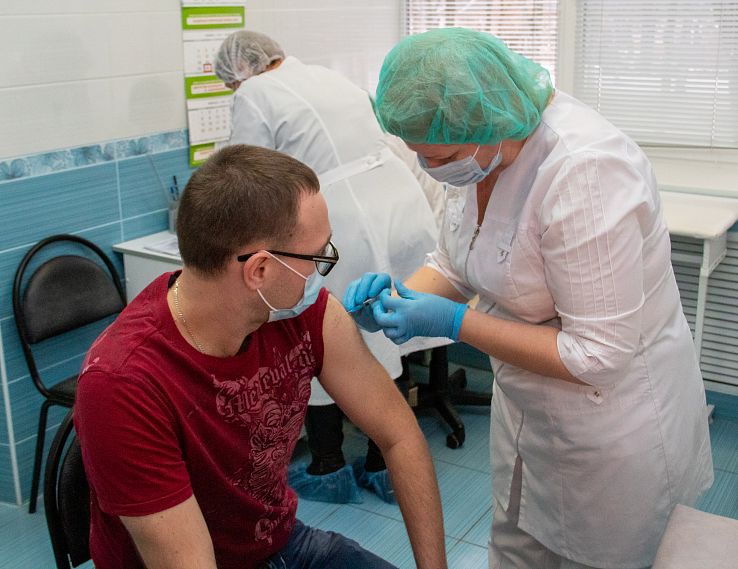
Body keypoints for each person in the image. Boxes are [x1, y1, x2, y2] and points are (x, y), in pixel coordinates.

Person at [344, 28, 714, 569]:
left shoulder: (586, 172)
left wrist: (455, 323)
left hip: (607, 430)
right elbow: (457, 260)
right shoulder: (478, 154)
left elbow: (598, 355)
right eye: (420, 156)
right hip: (526, 412)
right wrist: (398, 296)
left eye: (440, 156)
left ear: (487, 126)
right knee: (515, 547)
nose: (432, 169)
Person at [73, 144, 447, 569]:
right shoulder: (123, 384)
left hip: (279, 543)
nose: (322, 271)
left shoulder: (302, 312)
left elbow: (400, 437)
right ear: (260, 271)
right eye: (317, 256)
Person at [213, 30, 443, 505]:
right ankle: (384, 467)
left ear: (239, 72)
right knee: (386, 330)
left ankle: (327, 465)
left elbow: (246, 177)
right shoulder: (325, 75)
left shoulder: (255, 93)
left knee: (316, 334)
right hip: (399, 206)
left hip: (342, 220)